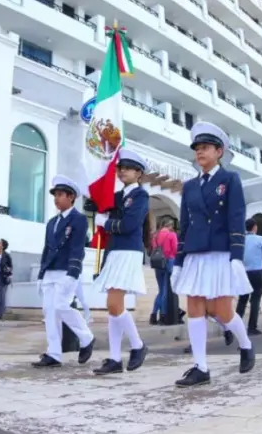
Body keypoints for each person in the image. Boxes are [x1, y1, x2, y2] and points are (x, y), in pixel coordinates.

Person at [171, 121, 255, 388]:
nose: (200, 153)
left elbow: (236, 217)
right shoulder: (190, 186)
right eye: (197, 148)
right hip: (196, 253)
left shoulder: (229, 179)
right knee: (194, 306)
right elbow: (184, 225)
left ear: (219, 151)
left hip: (220, 252)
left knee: (221, 310)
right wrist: (179, 261)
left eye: (205, 147)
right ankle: (201, 366)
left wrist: (237, 256)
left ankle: (245, 344)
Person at [91, 148, 152, 376]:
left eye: (128, 168)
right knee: (114, 308)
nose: (122, 171)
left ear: (139, 173)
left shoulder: (140, 196)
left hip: (128, 251)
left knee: (114, 304)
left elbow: (128, 225)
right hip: (115, 251)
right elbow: (101, 200)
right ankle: (115, 358)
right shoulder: (118, 197)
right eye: (121, 168)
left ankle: (137, 345)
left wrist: (105, 224)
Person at [32, 175, 95, 368]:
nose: (56, 198)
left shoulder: (79, 219)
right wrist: (41, 274)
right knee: (49, 312)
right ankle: (54, 353)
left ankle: (87, 338)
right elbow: (47, 249)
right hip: (51, 271)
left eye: (60, 194)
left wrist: (73, 273)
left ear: (71, 197)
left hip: (66, 271)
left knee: (61, 306)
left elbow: (77, 248)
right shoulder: (52, 222)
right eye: (55, 195)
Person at [236, 217, 262, 335]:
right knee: (255, 299)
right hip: (258, 271)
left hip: (244, 271)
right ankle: (252, 327)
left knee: (242, 300)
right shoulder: (260, 239)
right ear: (254, 227)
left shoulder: (241, 239)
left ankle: (235, 326)